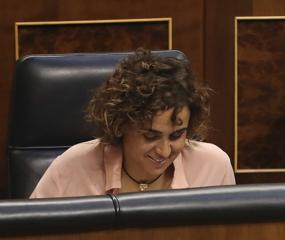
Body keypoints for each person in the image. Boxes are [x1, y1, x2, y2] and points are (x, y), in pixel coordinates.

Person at [31, 49, 235, 198]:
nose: (164, 151)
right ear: (121, 126)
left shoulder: (214, 167)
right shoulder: (71, 168)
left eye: (176, 135)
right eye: (151, 136)